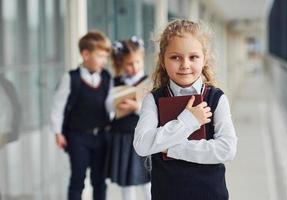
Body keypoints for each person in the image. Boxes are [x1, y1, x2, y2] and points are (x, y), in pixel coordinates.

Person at [133, 19, 238, 200]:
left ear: (204, 58)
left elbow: (227, 149)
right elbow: (142, 145)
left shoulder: (216, 98)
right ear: (162, 60)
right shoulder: (153, 100)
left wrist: (172, 149)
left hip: (211, 195)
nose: (185, 64)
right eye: (175, 57)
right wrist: (188, 121)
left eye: (193, 57)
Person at [51, 31, 113, 200]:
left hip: (101, 137)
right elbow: (58, 107)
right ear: (86, 54)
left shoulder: (107, 78)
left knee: (99, 180)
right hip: (77, 137)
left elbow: (109, 105)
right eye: (100, 56)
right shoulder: (71, 78)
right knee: (78, 179)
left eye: (105, 57)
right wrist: (58, 132)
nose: (104, 61)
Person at [106, 36, 151, 200]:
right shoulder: (116, 82)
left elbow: (155, 112)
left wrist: (136, 107)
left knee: (147, 181)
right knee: (127, 183)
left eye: (137, 62)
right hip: (122, 136)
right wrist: (115, 106)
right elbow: (108, 108)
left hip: (142, 135)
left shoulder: (149, 82)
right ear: (121, 64)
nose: (134, 67)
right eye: (129, 64)